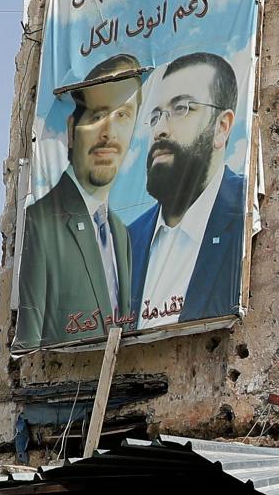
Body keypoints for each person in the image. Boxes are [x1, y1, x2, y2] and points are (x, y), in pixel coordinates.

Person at [17, 54, 143, 346]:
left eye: (122, 115)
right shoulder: (41, 222)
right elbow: (30, 344)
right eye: (98, 115)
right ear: (73, 130)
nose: (108, 134)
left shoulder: (119, 231)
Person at [128, 52, 247, 329]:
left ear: (222, 127)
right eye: (155, 116)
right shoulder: (126, 244)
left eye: (181, 108)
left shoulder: (245, 212)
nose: (160, 130)